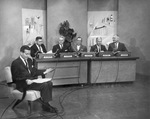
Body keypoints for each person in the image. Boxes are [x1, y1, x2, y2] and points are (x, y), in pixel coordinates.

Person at [11, 45, 57, 113]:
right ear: (21, 53)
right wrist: (25, 81)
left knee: (49, 83)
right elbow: (15, 78)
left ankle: (46, 104)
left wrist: (45, 71)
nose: (28, 55)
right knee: (44, 85)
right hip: (23, 84)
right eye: (26, 54)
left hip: (31, 81)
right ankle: (46, 106)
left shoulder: (29, 60)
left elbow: (34, 71)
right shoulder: (15, 63)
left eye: (29, 54)